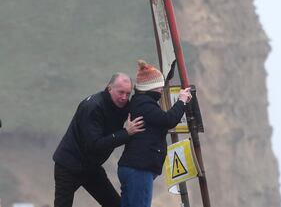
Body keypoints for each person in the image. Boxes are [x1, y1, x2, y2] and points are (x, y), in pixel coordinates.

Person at [53, 73, 145, 207]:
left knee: (114, 204)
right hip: (69, 166)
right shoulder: (93, 107)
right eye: (120, 92)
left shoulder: (124, 105)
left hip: (91, 167)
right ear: (109, 89)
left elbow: (144, 111)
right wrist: (126, 133)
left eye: (127, 93)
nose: (124, 97)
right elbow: (95, 145)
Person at [117, 60, 192, 207]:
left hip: (132, 167)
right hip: (139, 169)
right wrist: (181, 101)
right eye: (160, 85)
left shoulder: (140, 102)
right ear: (151, 87)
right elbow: (168, 120)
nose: (162, 89)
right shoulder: (145, 105)